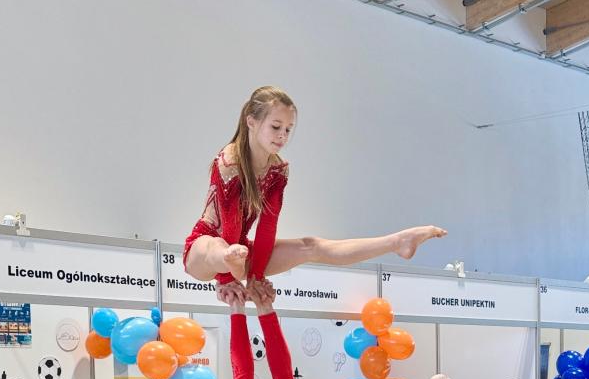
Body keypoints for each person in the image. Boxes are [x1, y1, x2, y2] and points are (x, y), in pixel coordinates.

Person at [183, 85, 445, 286]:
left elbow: (267, 228)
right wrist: (228, 280)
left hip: (241, 251)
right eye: (276, 127)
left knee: (312, 246)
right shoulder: (230, 160)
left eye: (288, 129)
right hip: (205, 251)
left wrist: (257, 277)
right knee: (216, 246)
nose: (282, 136)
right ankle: (229, 261)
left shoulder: (278, 170)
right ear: (251, 122)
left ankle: (397, 242)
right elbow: (229, 225)